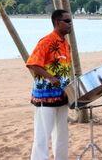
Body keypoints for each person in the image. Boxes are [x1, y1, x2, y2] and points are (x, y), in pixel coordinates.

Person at [26, 9, 72, 160]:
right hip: (45, 96)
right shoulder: (46, 41)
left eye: (70, 21)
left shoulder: (66, 44)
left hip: (62, 95)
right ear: (57, 22)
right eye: (67, 21)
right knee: (42, 135)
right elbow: (32, 63)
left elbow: (65, 69)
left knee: (62, 134)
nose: (70, 24)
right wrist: (51, 78)